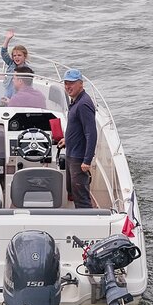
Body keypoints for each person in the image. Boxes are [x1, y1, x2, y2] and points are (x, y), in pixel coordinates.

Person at [57, 69, 97, 208]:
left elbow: (91, 133)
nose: (68, 86)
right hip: (71, 153)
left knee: (81, 197)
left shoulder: (84, 104)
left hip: (78, 158)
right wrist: (67, 140)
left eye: (72, 83)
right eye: (66, 83)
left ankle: (88, 223)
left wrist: (87, 160)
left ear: (81, 84)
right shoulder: (75, 101)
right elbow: (77, 127)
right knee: (73, 191)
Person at [1, 29, 30, 98]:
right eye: (14, 56)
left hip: (19, 92)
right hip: (8, 89)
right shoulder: (11, 63)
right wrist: (7, 39)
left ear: (24, 56)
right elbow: (3, 53)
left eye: (19, 55)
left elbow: (28, 84)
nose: (16, 57)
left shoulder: (27, 69)